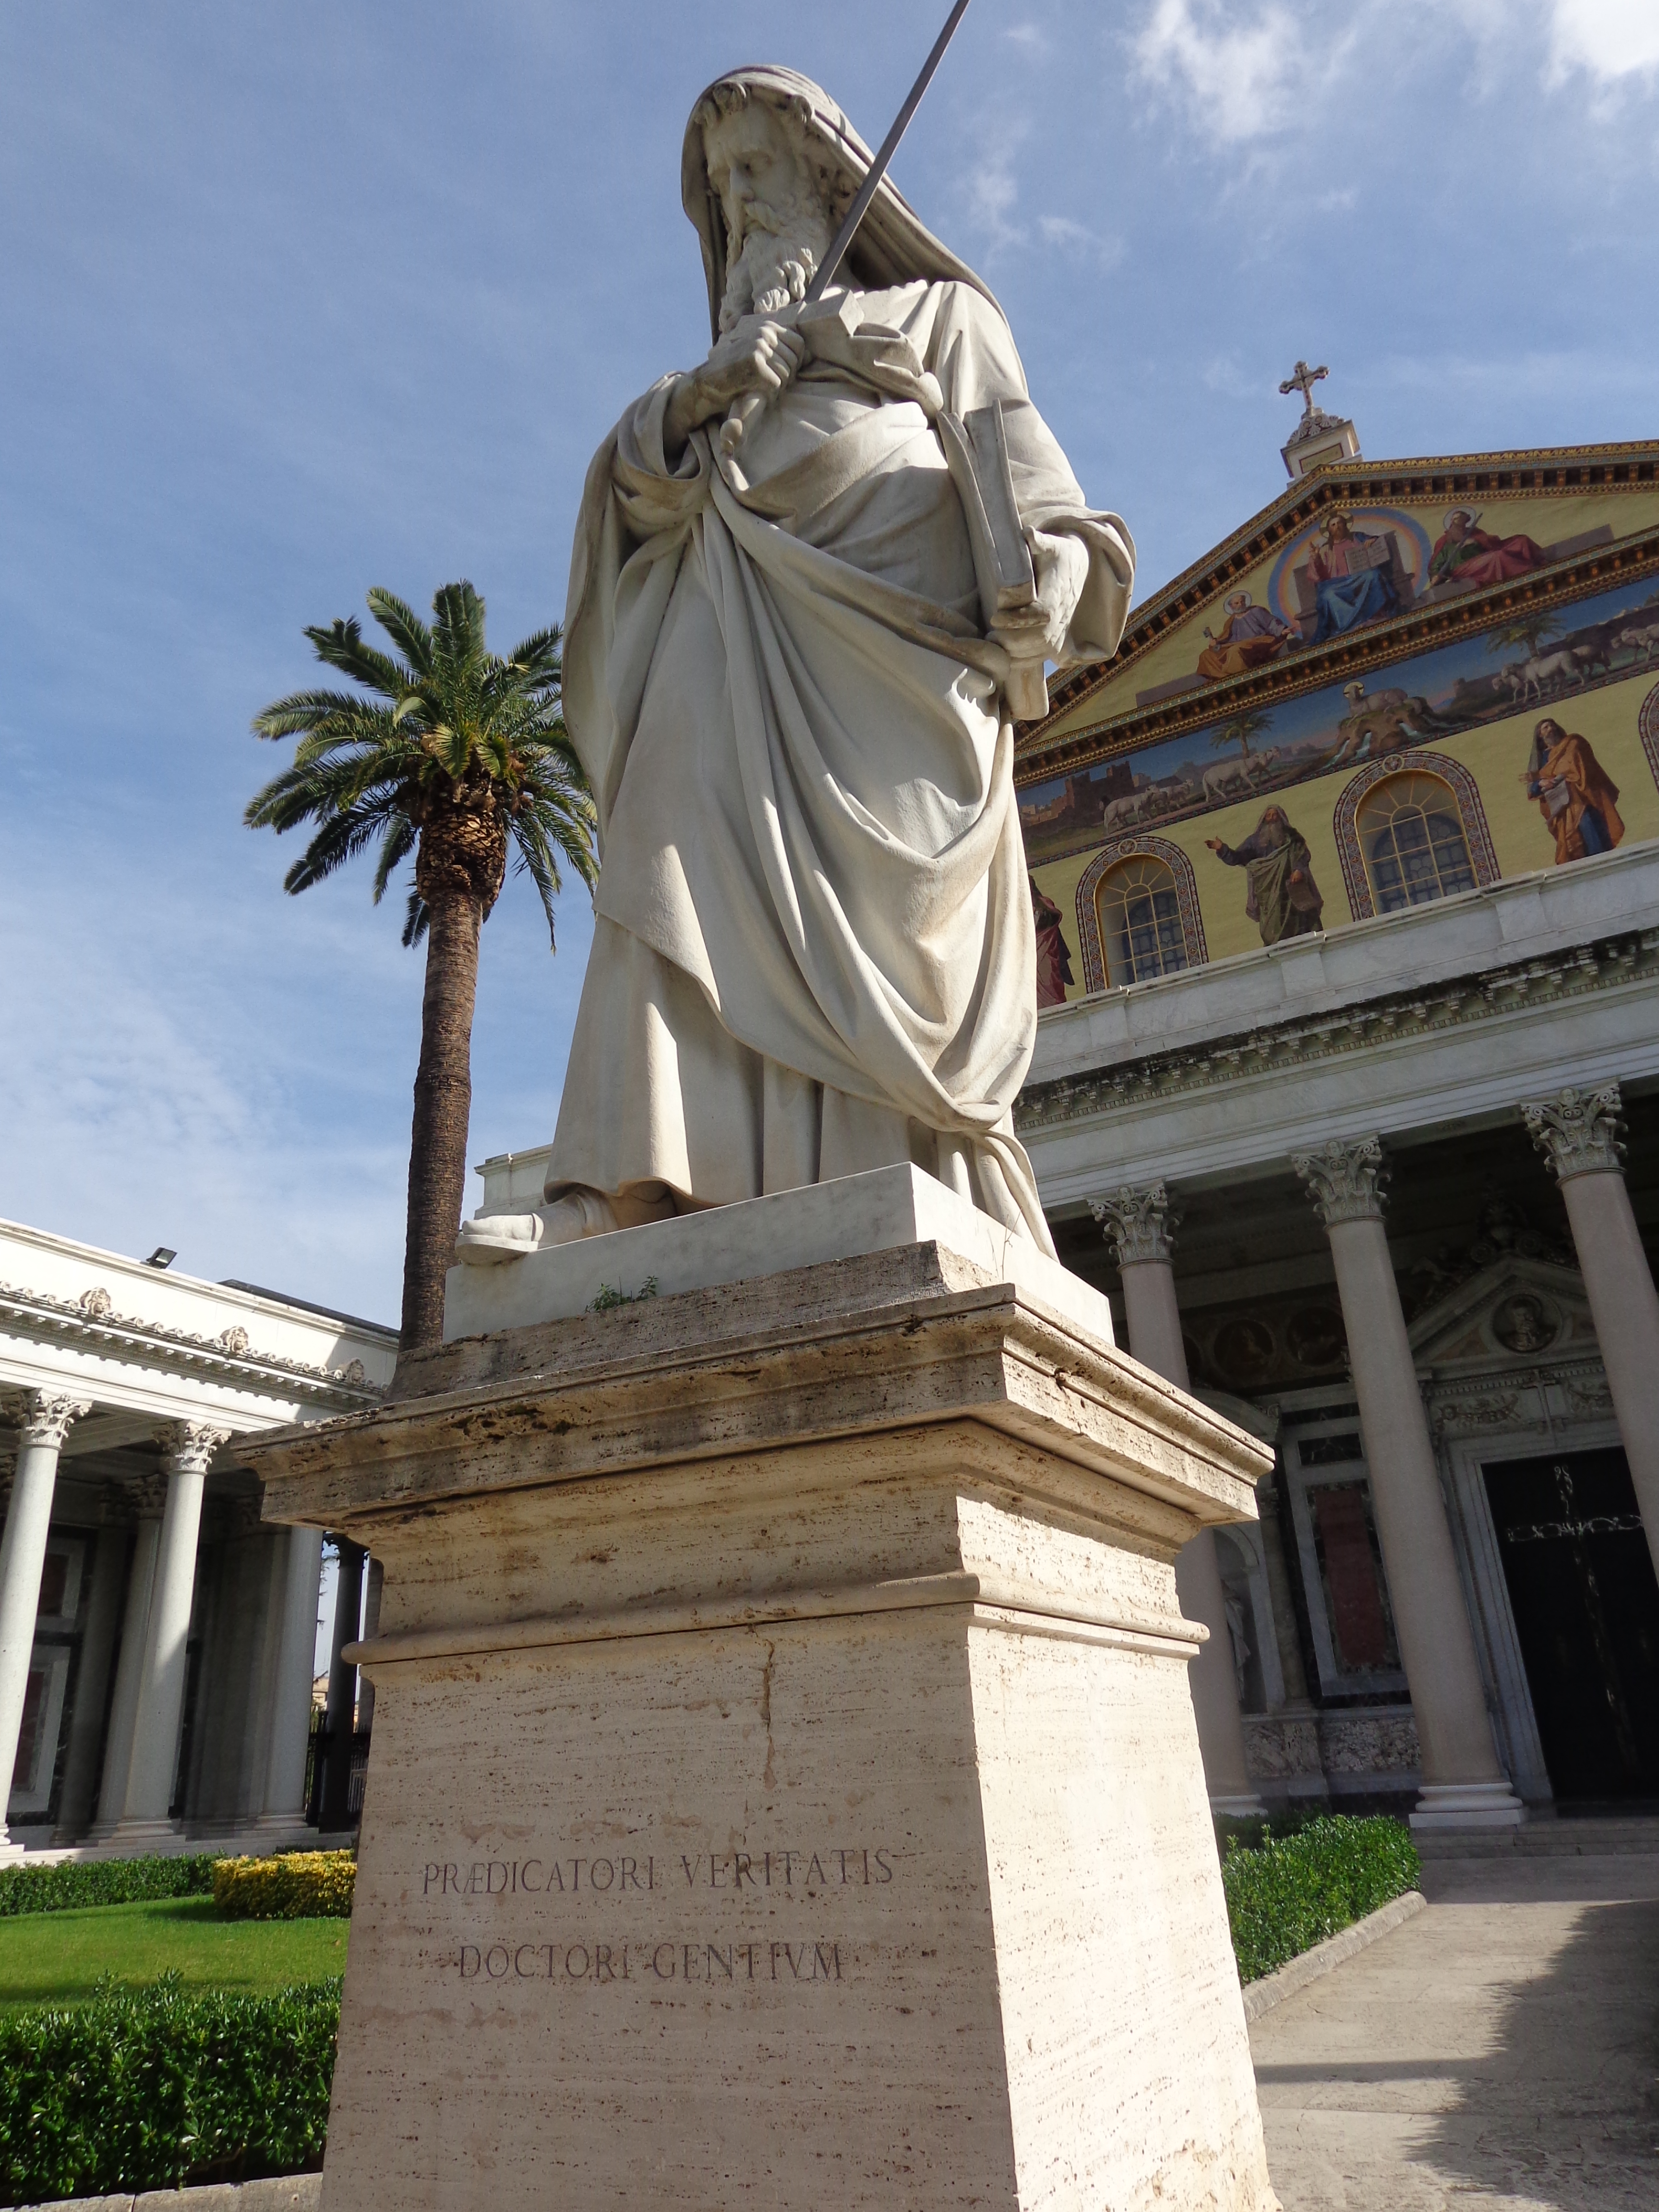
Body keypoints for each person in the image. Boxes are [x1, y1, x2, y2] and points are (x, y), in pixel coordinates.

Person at [457, 67, 1133, 1266]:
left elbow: (1043, 497)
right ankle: (620, 1186)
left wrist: (1055, 585)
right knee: (659, 846)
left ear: (829, 178)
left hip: (895, 668)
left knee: (882, 933)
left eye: (756, 170)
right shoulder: (720, 374)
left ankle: (900, 1166)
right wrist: (689, 403)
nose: (737, 204)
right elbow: (631, 497)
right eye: (719, 186)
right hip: (730, 629)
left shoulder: (939, 320)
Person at [1205, 807, 1323, 944]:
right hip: (1269, 891)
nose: (1272, 818)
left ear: (1281, 818)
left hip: (1292, 887)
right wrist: (1222, 849)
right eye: (1269, 816)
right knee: (1272, 926)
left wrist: (1299, 870)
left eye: (1275, 815)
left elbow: (1303, 854)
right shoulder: (1255, 841)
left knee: (1301, 919)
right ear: (1264, 820)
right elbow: (1238, 858)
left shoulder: (1292, 837)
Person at [1526, 718, 1624, 863]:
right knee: (1572, 840)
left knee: (1590, 826)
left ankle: (1601, 861)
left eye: (1552, 726)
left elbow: (1585, 765)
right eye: (1546, 728)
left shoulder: (1572, 744)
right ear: (1540, 736)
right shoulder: (1544, 758)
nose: (1551, 729)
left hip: (1583, 796)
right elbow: (1534, 788)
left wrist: (1566, 774)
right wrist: (1541, 782)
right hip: (1563, 807)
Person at [1305, 515, 1399, 642]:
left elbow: (1377, 541)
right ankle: (1348, 626)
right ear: (1329, 531)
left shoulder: (1357, 538)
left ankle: (1374, 617)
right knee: (1328, 594)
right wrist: (1316, 559)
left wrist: (1372, 541)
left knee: (1373, 575)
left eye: (1340, 523)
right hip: (1338, 583)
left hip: (1359, 576)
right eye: (1333, 525)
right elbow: (1321, 577)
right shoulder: (1325, 549)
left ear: (1345, 525)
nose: (1337, 527)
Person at [1429, 508, 1547, 591]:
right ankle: (1530, 572)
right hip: (1463, 569)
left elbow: (1493, 543)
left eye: (1459, 519)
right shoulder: (1445, 542)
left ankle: (1539, 563)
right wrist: (1436, 576)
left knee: (1521, 541)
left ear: (1465, 521)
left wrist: (1476, 541)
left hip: (1484, 559)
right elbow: (1436, 565)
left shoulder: (1475, 533)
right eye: (1454, 519)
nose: (1455, 522)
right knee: (1498, 557)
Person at [1196, 591, 1293, 680]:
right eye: (1237, 603)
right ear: (1231, 607)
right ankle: (1223, 678)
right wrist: (1215, 643)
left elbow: (1271, 623)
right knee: (1206, 655)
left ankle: (1237, 679)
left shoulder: (1256, 611)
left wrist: (1281, 630)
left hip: (1259, 641)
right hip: (1237, 645)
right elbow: (1226, 639)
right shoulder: (1231, 622)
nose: (1240, 605)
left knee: (1235, 651)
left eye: (1242, 602)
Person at [1031, 877, 1074, 1008]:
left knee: (1049, 976)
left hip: (1047, 946)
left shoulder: (1043, 903)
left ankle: (1054, 1003)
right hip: (1032, 949)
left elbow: (1053, 916)